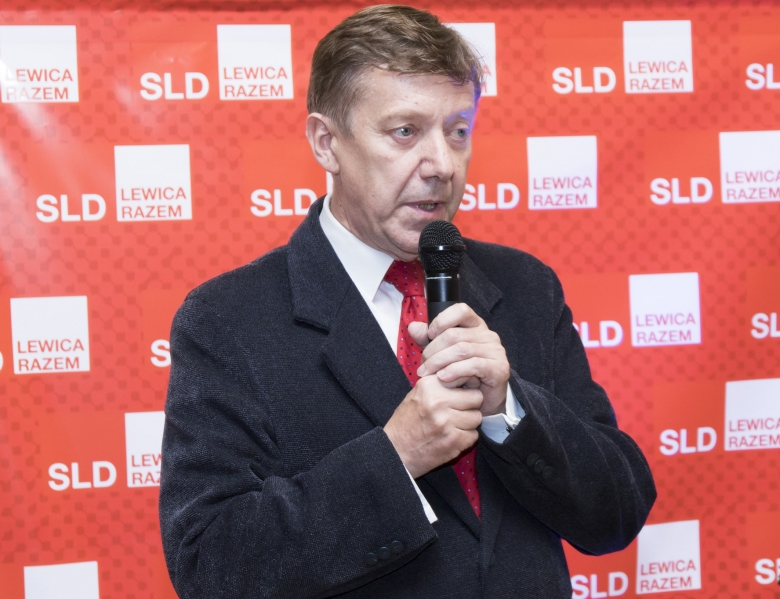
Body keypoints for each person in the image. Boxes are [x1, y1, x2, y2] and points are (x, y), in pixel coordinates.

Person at [159, 5, 656, 598]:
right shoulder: (228, 321)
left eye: (457, 131)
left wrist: (510, 409)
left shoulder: (526, 286)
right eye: (405, 132)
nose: (442, 165)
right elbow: (210, 567)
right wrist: (395, 458)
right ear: (327, 143)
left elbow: (618, 513)